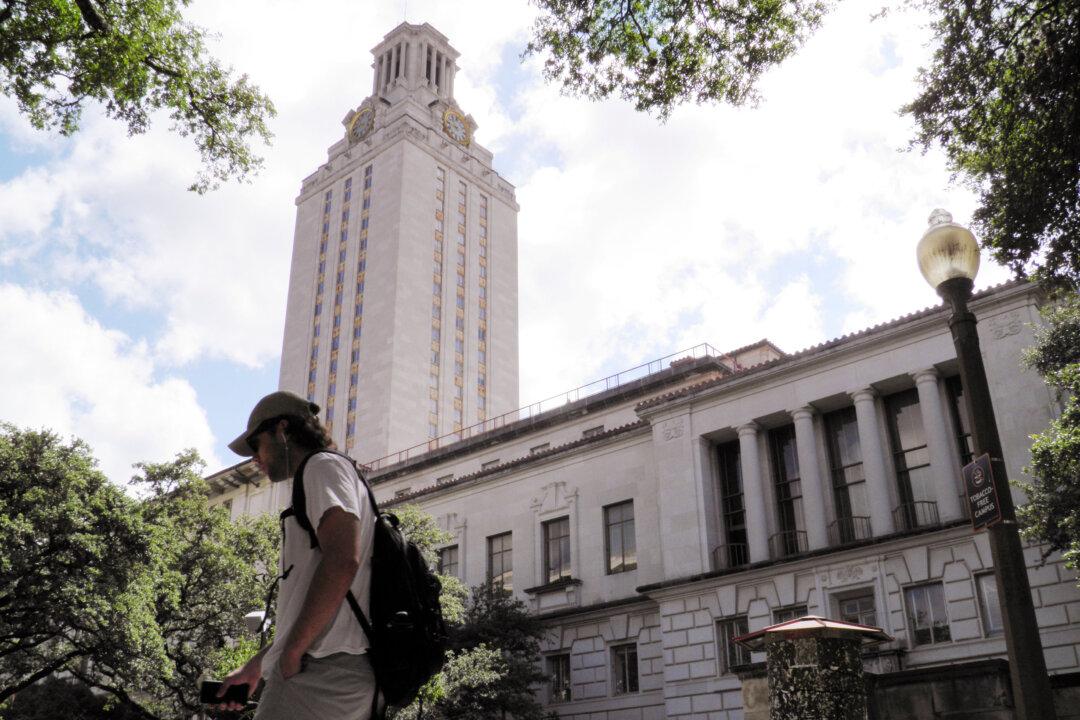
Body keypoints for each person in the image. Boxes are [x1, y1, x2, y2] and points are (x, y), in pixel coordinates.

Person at [217, 391, 377, 719]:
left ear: (282, 431)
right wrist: (259, 665)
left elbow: (342, 560)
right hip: (333, 669)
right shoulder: (325, 473)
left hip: (323, 668)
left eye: (255, 445)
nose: (254, 459)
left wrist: (291, 653)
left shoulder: (321, 466)